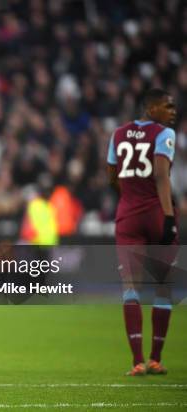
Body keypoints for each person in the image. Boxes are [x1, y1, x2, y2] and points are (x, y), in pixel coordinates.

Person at [107, 88, 178, 376]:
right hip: (156, 213)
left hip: (128, 215)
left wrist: (129, 198)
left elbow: (112, 177)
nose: (172, 110)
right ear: (151, 108)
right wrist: (169, 217)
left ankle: (136, 361)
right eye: (167, 105)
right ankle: (155, 359)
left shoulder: (118, 134)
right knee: (163, 285)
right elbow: (161, 176)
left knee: (130, 287)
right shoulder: (164, 135)